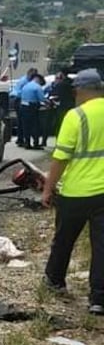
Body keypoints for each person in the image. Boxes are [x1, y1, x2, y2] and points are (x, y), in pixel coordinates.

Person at [43, 68, 104, 314]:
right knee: (101, 246)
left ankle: (54, 280)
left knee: (64, 240)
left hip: (76, 192)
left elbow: (60, 158)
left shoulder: (75, 116)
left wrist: (48, 189)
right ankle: (98, 299)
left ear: (79, 90)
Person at [11, 67, 38, 147]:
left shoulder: (27, 81)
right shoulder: (24, 81)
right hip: (19, 100)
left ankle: (21, 139)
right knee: (21, 122)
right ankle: (21, 139)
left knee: (22, 122)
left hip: (22, 100)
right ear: (29, 74)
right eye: (33, 75)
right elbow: (19, 92)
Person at [19, 71, 47, 150]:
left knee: (26, 126)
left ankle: (27, 143)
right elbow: (42, 99)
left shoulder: (25, 86)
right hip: (32, 107)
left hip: (23, 106)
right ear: (38, 79)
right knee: (35, 126)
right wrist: (48, 102)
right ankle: (36, 143)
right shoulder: (37, 87)